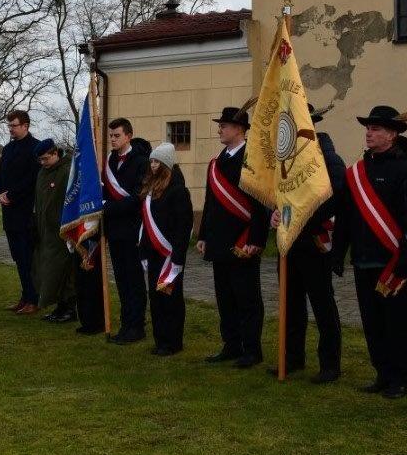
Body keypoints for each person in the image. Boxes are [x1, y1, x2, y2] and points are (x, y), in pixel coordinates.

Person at [332, 105, 407, 399]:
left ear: (392, 134)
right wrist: (338, 253)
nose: (369, 133)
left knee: (396, 323)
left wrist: (405, 260)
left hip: (391, 263)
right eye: (368, 128)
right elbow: (345, 217)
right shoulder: (356, 173)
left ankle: (402, 377)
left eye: (375, 129)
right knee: (371, 322)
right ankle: (383, 373)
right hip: (362, 259)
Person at [268, 104, 345, 383]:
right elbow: (274, 193)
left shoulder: (328, 157)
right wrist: (274, 213)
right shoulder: (283, 158)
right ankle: (291, 358)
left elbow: (333, 197)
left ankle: (330, 363)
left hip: (314, 240)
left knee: (323, 304)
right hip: (288, 242)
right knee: (291, 304)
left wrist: (299, 217)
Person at [197, 106, 270, 369]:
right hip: (219, 241)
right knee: (225, 297)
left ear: (239, 129)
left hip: (243, 241)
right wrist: (203, 234)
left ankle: (252, 349)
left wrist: (257, 240)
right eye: (220, 125)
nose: (220, 129)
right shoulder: (216, 163)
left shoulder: (253, 159)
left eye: (224, 125)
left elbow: (261, 204)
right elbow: (210, 202)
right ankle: (231, 344)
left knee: (247, 298)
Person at [138, 142, 193, 356]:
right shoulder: (150, 191)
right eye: (151, 161)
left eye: (157, 162)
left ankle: (173, 342)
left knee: (171, 299)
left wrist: (178, 257)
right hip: (153, 253)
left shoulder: (178, 191)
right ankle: (160, 339)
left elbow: (183, 226)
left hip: (170, 256)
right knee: (156, 298)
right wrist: (143, 251)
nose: (153, 165)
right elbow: (145, 224)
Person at [103, 117, 151, 344]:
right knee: (121, 280)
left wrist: (107, 208)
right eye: (111, 136)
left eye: (117, 136)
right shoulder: (110, 161)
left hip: (133, 229)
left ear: (128, 136)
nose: (112, 139)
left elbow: (137, 197)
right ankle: (125, 325)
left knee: (134, 280)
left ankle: (137, 326)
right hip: (114, 231)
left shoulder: (141, 161)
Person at [0, 110, 40, 314]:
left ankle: (34, 298)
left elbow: (32, 179)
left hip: (25, 211)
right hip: (9, 212)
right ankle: (25, 295)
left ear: (25, 125)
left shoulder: (35, 147)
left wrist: (12, 195)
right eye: (9, 126)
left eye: (14, 125)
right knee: (17, 257)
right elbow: (0, 175)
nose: (11, 129)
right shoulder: (8, 149)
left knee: (27, 256)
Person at [31, 139, 76, 322]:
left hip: (62, 230)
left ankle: (69, 308)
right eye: (40, 160)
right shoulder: (43, 172)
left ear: (55, 153)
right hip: (44, 229)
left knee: (64, 270)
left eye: (46, 158)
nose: (43, 163)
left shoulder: (67, 172)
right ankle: (59, 306)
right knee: (48, 270)